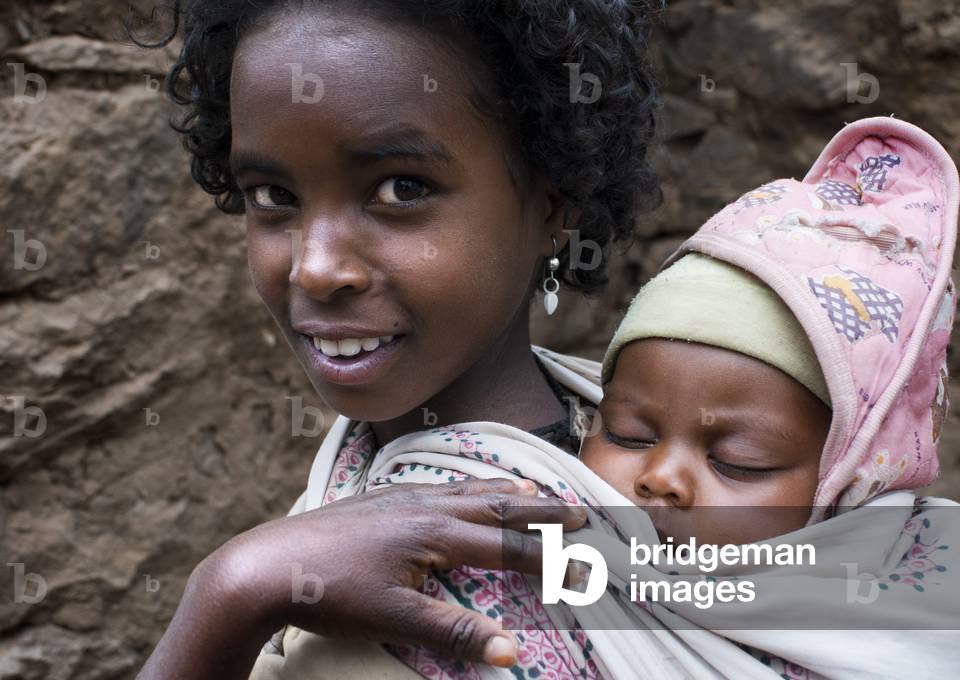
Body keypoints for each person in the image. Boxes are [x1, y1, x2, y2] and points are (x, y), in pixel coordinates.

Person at [325, 117, 960, 678]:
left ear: (847, 487)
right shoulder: (531, 552)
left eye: (740, 462)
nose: (661, 479)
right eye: (626, 432)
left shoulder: (922, 614)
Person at [133, 0, 666, 678]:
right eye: (272, 195)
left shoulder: (544, 556)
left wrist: (230, 591)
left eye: (401, 187)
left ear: (552, 206)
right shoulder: (354, 504)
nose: (316, 266)